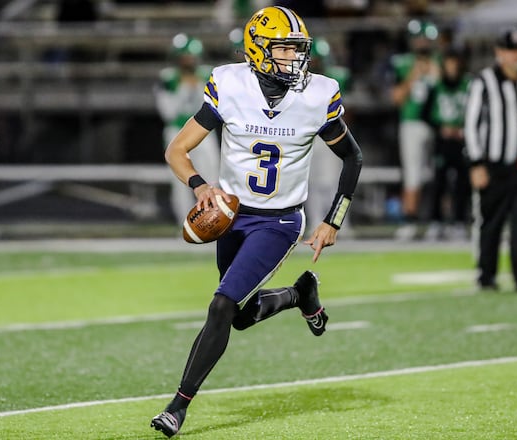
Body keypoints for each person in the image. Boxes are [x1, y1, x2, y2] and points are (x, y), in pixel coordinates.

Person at [150, 6, 362, 437]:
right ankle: (300, 294)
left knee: (221, 305)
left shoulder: (316, 94)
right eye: (284, 48)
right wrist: (199, 185)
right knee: (239, 317)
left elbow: (352, 157)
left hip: (279, 222)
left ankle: (178, 406)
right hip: (231, 218)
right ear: (259, 51)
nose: (294, 58)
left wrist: (332, 221)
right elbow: (177, 150)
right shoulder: (230, 85)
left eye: (297, 49)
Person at [464, 28, 517, 292]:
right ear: (499, 53)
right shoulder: (484, 81)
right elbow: (470, 123)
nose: (515, 56)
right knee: (491, 222)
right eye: (510, 50)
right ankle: (486, 275)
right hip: (493, 164)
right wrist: (476, 163)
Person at [154, 34, 220, 224]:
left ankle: (214, 220)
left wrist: (198, 87)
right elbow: (168, 112)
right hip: (177, 132)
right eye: (185, 56)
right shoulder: (168, 78)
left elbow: (213, 107)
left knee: (211, 177)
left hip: (203, 132)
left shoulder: (208, 75)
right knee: (180, 180)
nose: (189, 60)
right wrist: (184, 89)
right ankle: (186, 224)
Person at [389, 19, 440, 240]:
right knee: (412, 175)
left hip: (437, 124)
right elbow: (396, 98)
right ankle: (410, 220)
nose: (422, 43)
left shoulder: (439, 62)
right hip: (411, 122)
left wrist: (436, 74)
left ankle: (437, 220)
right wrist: (414, 76)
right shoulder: (403, 63)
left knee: (438, 174)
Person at [420, 48, 471, 241]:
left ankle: (459, 221)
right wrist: (441, 127)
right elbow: (425, 113)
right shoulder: (436, 87)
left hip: (462, 141)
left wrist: (464, 129)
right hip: (442, 142)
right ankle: (436, 221)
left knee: (462, 183)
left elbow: (477, 111)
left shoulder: (468, 85)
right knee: (439, 182)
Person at [306, 36, 353, 233]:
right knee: (311, 182)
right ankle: (315, 222)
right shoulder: (299, 81)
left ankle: (340, 222)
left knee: (333, 181)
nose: (315, 63)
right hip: (309, 135)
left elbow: (348, 108)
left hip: (331, 132)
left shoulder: (334, 79)